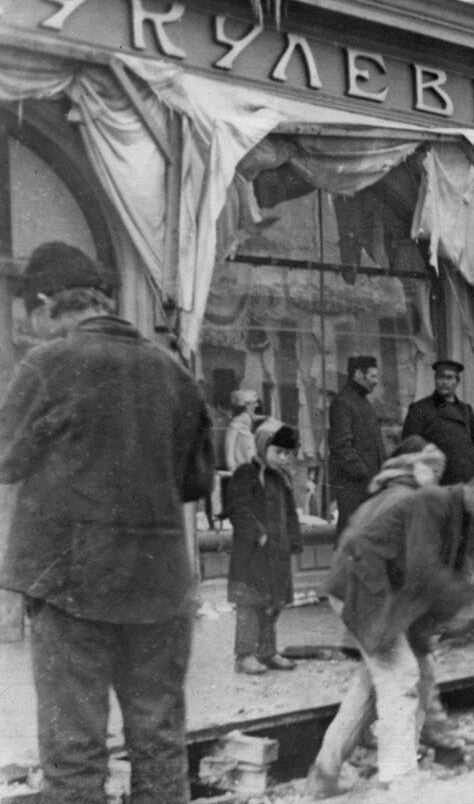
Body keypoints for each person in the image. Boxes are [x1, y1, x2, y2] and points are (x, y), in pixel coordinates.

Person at [0, 241, 213, 803]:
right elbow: (195, 483)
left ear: (47, 304)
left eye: (33, 319)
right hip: (161, 587)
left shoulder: (47, 365)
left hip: (72, 587)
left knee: (74, 751)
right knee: (160, 743)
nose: (36, 332)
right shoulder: (175, 373)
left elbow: (4, 459)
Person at [305, 458, 474, 797]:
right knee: (400, 674)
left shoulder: (466, 523)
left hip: (391, 597)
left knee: (411, 675)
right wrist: (473, 600)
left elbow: (434, 582)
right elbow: (424, 571)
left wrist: (467, 607)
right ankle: (399, 780)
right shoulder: (434, 501)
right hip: (361, 586)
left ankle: (325, 772)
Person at [225, 419, 305, 675]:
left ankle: (267, 651)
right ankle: (245, 655)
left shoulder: (282, 479)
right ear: (262, 446)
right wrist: (257, 534)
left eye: (287, 453)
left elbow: (290, 513)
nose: (283, 458)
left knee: (273, 604)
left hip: (277, 553)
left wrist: (293, 539)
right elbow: (237, 509)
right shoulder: (246, 473)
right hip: (253, 555)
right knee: (250, 605)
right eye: (278, 452)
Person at [401, 358, 474, 486]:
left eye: (449, 378)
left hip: (466, 481)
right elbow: (410, 446)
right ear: (435, 380)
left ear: (457, 382)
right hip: (438, 482)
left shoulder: (466, 410)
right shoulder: (420, 409)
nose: (444, 382)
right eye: (441, 377)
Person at [328, 355, 385, 536]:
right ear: (359, 374)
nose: (376, 382)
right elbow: (340, 446)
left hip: (369, 489)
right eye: (373, 376)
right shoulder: (343, 402)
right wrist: (365, 474)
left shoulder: (361, 401)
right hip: (356, 491)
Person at [224, 388, 260, 471]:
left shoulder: (253, 424)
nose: (253, 407)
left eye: (254, 403)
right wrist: (233, 470)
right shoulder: (235, 425)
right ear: (242, 405)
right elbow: (229, 454)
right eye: (248, 404)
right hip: (241, 471)